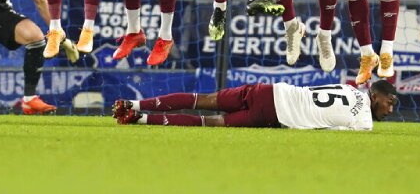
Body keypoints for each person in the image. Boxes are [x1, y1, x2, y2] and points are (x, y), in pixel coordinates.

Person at [113, 79, 397, 130]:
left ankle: (133, 104)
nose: (391, 109)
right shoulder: (364, 123)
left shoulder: (348, 88)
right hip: (276, 113)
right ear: (375, 96)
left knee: (205, 100)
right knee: (208, 122)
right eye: (390, 102)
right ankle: (138, 120)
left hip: (270, 90)